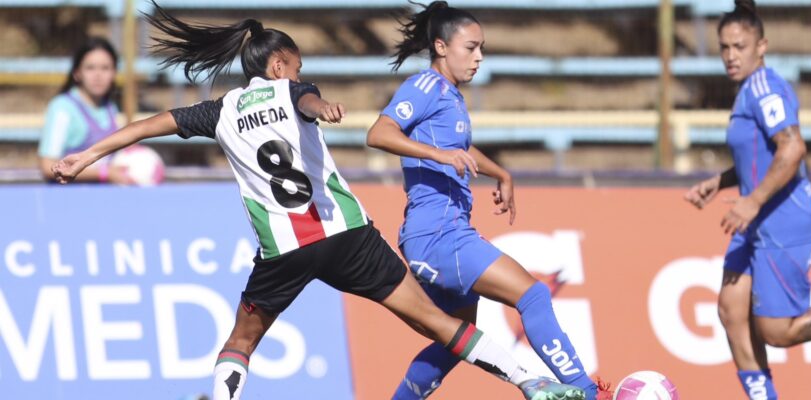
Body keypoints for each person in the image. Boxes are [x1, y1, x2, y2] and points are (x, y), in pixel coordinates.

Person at [52, 3, 585, 400]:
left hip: (283, 250)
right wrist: (320, 103)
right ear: (280, 64)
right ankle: (530, 381)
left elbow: (150, 125)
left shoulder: (220, 111)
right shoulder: (292, 90)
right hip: (347, 236)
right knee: (432, 320)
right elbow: (303, 99)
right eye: (297, 66)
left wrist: (87, 155)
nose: (299, 74)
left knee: (241, 340)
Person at [366, 2, 610, 399]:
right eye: (471, 47)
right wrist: (439, 155)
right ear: (441, 47)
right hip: (439, 235)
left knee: (456, 340)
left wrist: (500, 173)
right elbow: (379, 133)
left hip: (442, 232)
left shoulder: (450, 96)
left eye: (482, 48)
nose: (479, 57)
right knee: (533, 294)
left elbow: (458, 147)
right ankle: (588, 392)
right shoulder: (425, 86)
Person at [684, 1, 811, 399]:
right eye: (724, 47)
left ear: (762, 47)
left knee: (777, 331)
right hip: (755, 217)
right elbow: (759, 156)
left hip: (782, 218)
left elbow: (792, 148)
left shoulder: (765, 88)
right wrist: (721, 181)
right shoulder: (746, 91)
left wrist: (753, 200)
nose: (730, 56)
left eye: (739, 47)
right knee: (731, 311)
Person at [39, 37, 131, 184]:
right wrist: (104, 173)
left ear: (114, 73)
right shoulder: (62, 108)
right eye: (90, 68)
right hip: (68, 194)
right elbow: (47, 165)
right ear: (77, 73)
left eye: (105, 68)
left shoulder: (110, 107)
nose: (98, 75)